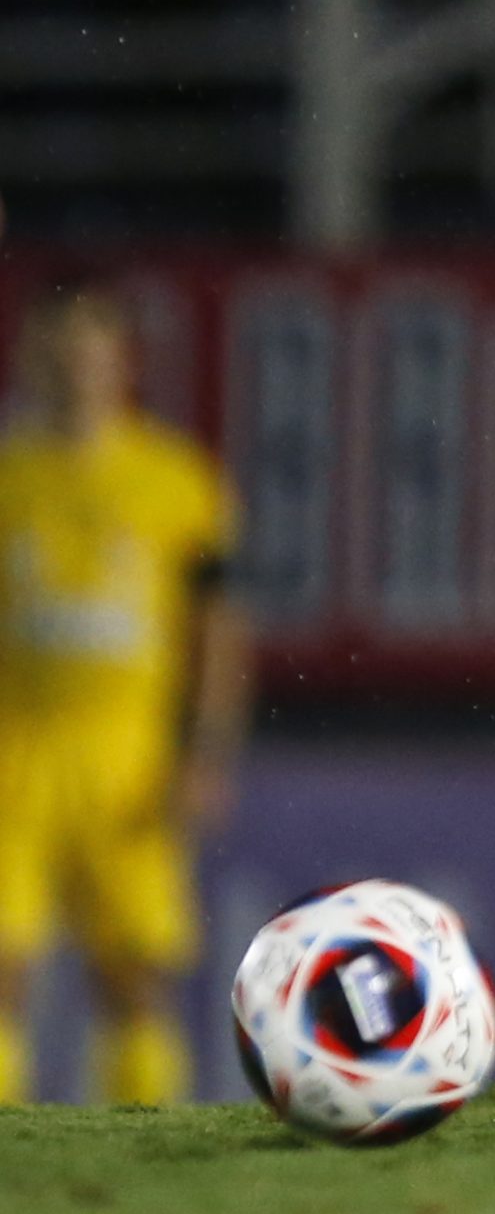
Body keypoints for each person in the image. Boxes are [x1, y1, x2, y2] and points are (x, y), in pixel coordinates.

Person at [0, 279, 254, 1104]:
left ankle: (138, 1165)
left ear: (122, 361)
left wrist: (205, 751)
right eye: (59, 349)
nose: (77, 368)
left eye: (92, 350)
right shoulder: (9, 477)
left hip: (128, 749)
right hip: (15, 742)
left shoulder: (177, 480)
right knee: (4, 964)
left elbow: (218, 629)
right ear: (31, 356)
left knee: (134, 974)